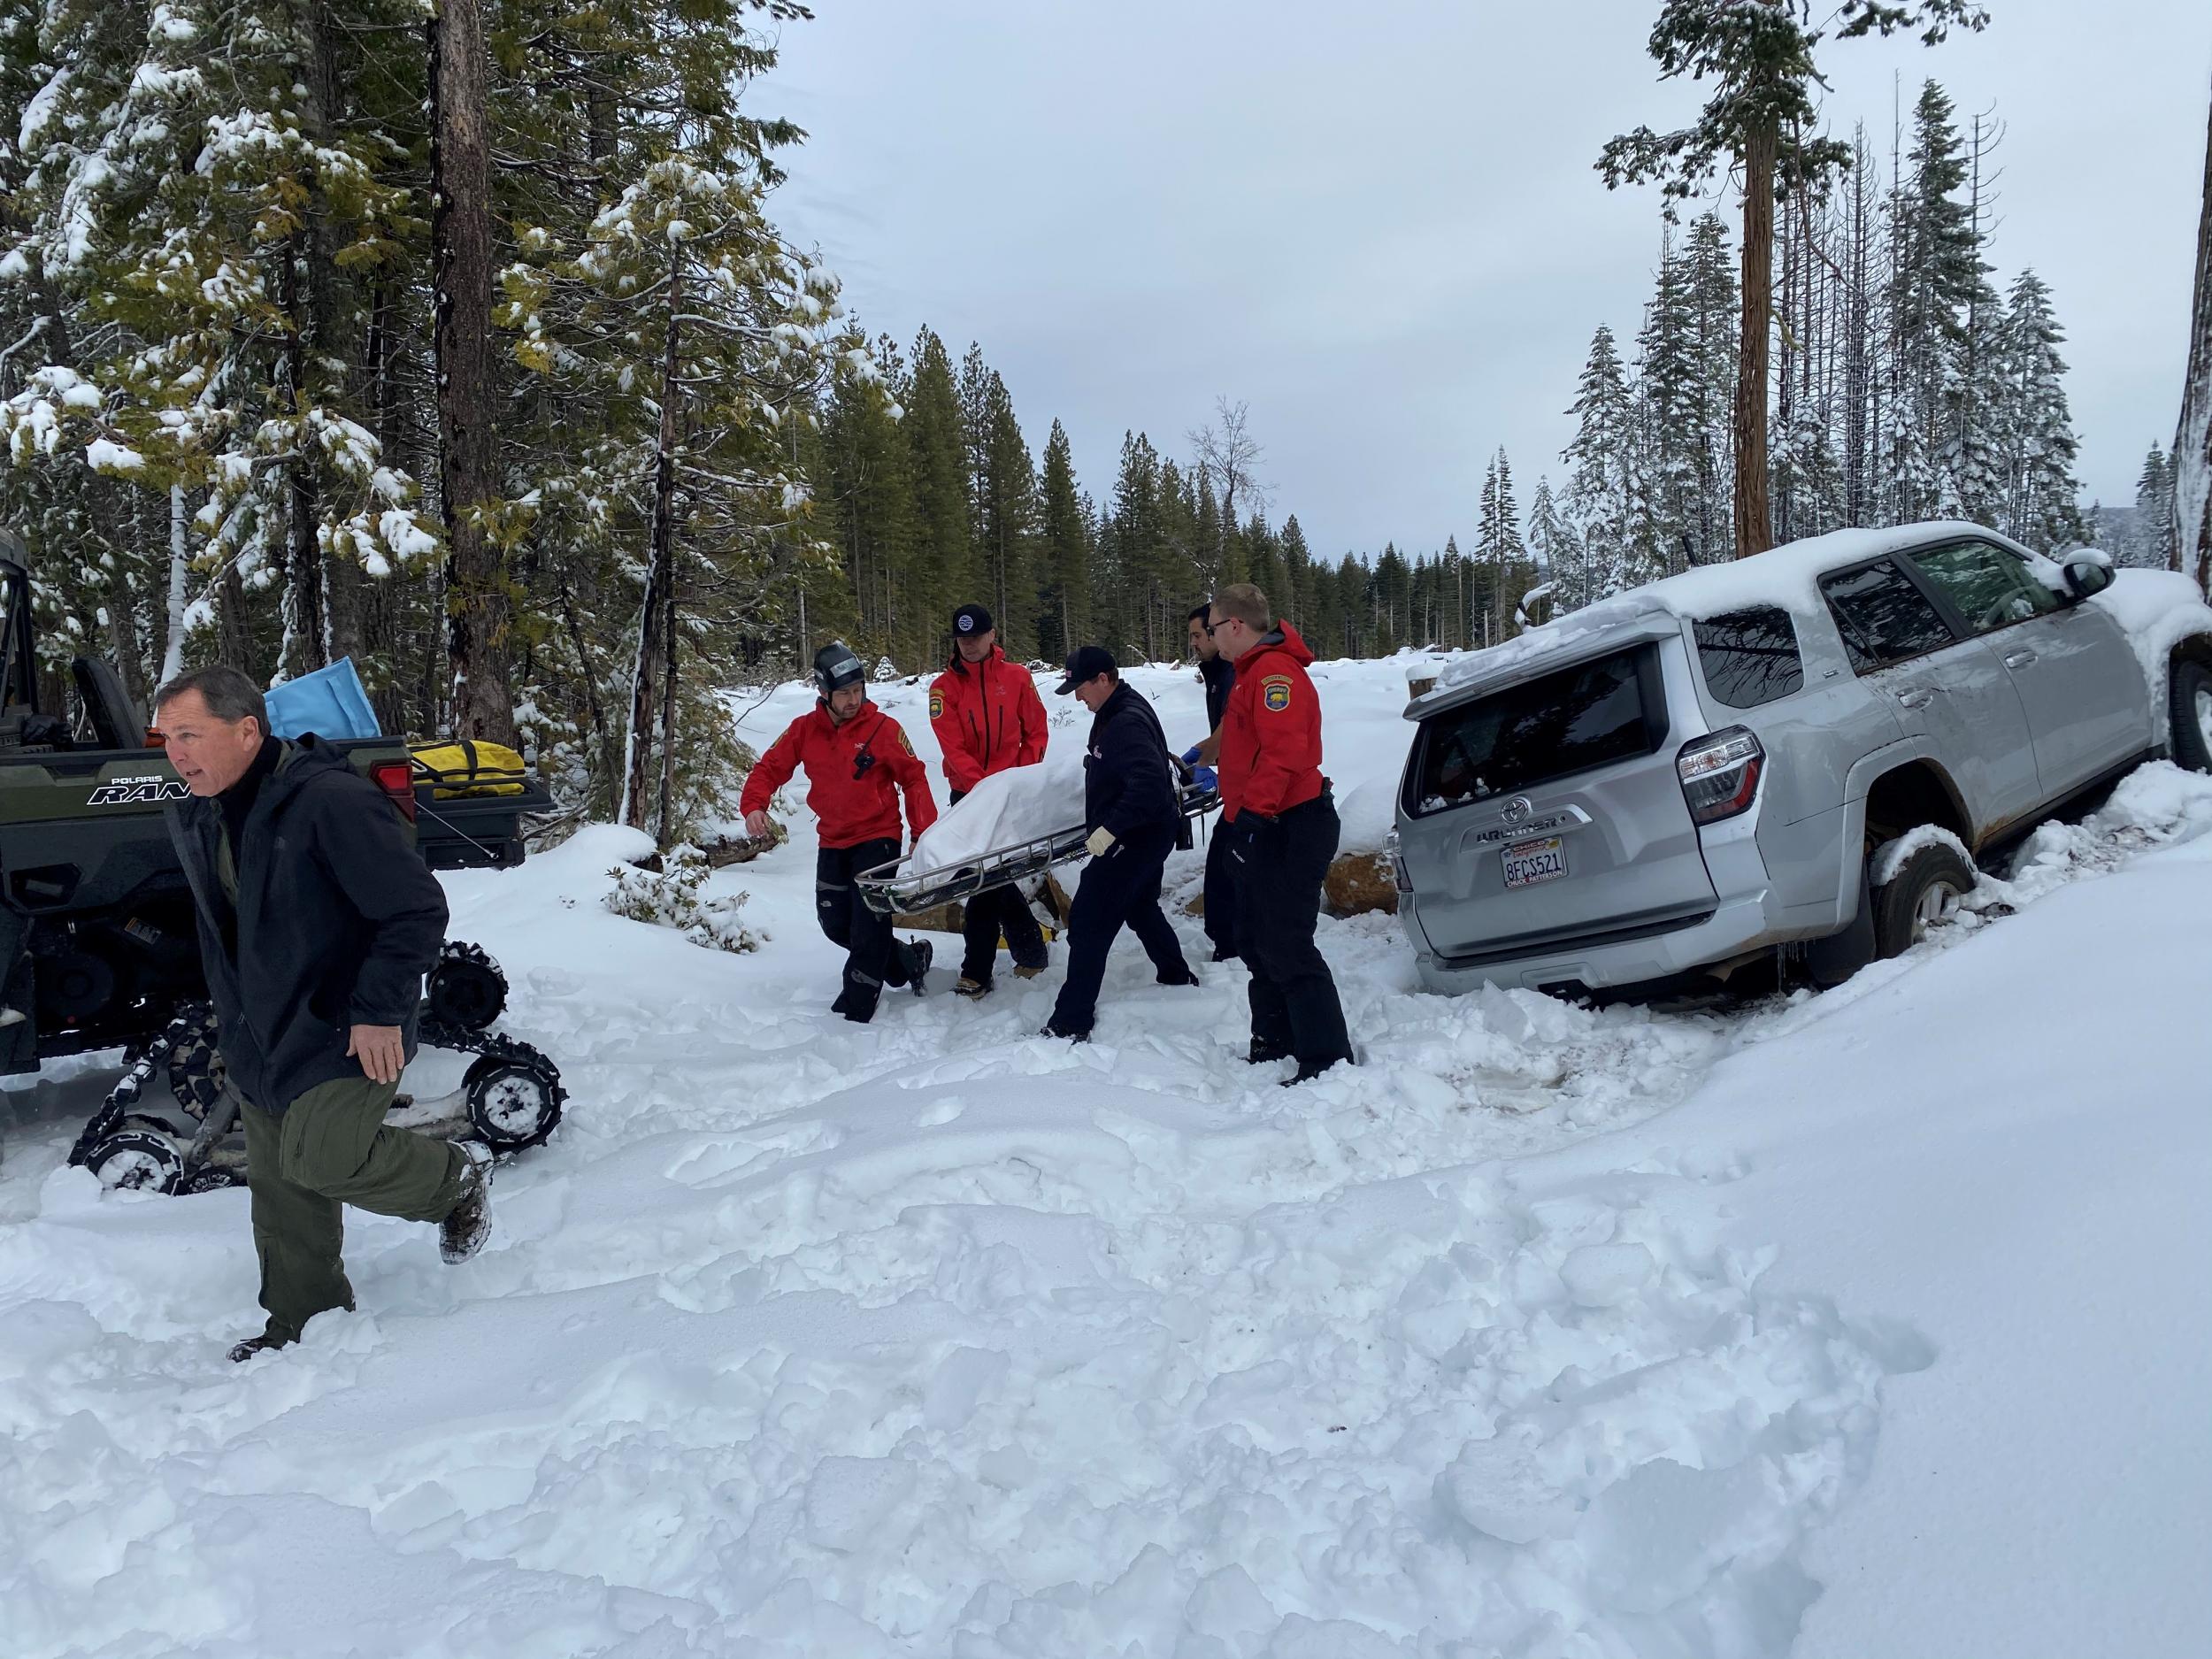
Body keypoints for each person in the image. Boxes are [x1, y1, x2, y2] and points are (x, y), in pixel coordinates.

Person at [156, 665, 488, 1364]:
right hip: (263, 1030)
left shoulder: (330, 801)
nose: (176, 753)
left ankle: (454, 1180)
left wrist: (376, 1012)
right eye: (167, 738)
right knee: (281, 1187)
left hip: (346, 1023)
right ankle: (305, 1325)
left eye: (189, 734)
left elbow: (414, 910)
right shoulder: (206, 807)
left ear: (247, 730)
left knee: (326, 1156)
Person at [741, 642, 937, 1023]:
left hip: (878, 838)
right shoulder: (803, 729)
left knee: (867, 923)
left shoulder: (884, 729)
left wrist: (921, 832)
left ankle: (856, 1010)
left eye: (858, 690)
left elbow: (914, 778)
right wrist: (754, 805)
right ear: (823, 692)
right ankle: (909, 960)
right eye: (845, 693)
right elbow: (770, 767)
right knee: (835, 924)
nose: (854, 700)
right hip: (832, 839)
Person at [1205, 584, 1355, 1084]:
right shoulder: (1247, 675)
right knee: (1252, 934)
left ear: (1235, 625)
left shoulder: (1274, 673)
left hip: (1294, 821)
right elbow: (1244, 745)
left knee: (1287, 940)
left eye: (1212, 628)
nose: (1209, 639)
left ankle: (1326, 1058)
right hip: (1263, 821)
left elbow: (1285, 753)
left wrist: (1252, 819)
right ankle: (1274, 1039)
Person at [1041, 646, 1199, 1041]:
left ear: (1104, 679)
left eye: (1081, 687)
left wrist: (1110, 829)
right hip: (1148, 832)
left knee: (1089, 922)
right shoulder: (1117, 708)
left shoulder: (1124, 721)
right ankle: (1177, 976)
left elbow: (1147, 786)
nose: (1077, 696)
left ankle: (1070, 1021)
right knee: (1141, 906)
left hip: (1135, 836)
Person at [928, 603, 1051, 997]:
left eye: (977, 637)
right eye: (963, 639)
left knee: (988, 878)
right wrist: (984, 788)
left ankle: (984, 968)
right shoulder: (942, 689)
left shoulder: (1017, 678)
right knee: (981, 877)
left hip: (1013, 792)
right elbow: (953, 747)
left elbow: (1036, 731)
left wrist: (1020, 778)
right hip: (968, 795)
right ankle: (1012, 955)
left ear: (992, 635)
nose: (970, 645)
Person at [1185, 602, 1238, 962]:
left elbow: (1232, 727)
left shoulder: (1233, 671)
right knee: (1223, 866)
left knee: (1226, 867)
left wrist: (1202, 759)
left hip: (1256, 793)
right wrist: (1197, 754)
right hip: (1238, 786)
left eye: (1198, 635)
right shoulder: (1215, 674)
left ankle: (1232, 944)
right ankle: (1229, 940)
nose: (1193, 643)